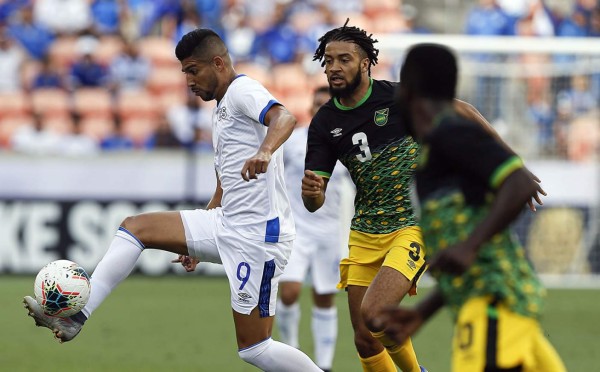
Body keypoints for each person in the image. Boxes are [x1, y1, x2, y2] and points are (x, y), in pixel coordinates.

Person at [23, 28, 321, 372]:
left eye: (193, 70)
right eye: (184, 73)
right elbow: (225, 181)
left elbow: (284, 117)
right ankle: (76, 317)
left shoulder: (243, 90)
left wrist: (266, 151)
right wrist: (196, 240)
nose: (188, 81)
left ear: (218, 63)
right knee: (135, 228)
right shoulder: (222, 108)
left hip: (258, 237)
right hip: (226, 223)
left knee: (254, 349)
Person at [301, 20, 541, 372]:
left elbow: (462, 110)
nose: (334, 68)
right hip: (366, 228)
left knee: (374, 314)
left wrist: (510, 163)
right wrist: (312, 194)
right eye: (328, 61)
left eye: (344, 59)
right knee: (365, 338)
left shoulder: (401, 98)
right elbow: (313, 201)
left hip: (410, 226)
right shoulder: (324, 123)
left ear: (365, 62)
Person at [375, 43, 566, 372]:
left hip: (492, 308)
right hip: (498, 305)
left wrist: (469, 245)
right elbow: (462, 254)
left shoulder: (452, 132)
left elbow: (520, 182)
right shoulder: (430, 157)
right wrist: (423, 311)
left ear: (408, 92)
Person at [277, 85, 348, 372]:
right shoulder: (293, 141)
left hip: (330, 232)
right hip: (296, 228)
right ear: (310, 108)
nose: (320, 108)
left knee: (324, 297)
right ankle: (291, 355)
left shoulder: (347, 143)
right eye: (316, 103)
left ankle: (324, 365)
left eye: (325, 104)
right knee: (290, 292)